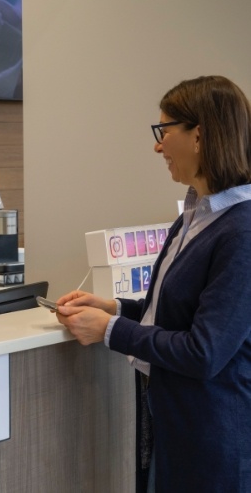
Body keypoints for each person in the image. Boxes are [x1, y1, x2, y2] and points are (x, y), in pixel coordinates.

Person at [54, 76, 251, 493]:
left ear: (199, 135)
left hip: (216, 445)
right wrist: (115, 308)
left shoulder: (242, 231)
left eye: (164, 131)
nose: (157, 146)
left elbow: (204, 352)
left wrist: (110, 331)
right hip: (176, 426)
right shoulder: (195, 215)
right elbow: (175, 311)